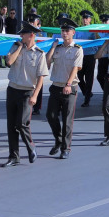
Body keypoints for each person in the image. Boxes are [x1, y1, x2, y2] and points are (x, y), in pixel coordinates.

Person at [2, 22, 48, 165]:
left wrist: (35, 95)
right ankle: (13, 156)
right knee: (11, 125)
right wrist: (20, 48)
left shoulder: (39, 54)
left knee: (22, 123)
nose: (21, 35)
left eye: (23, 34)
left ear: (31, 35)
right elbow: (9, 62)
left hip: (27, 92)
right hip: (12, 89)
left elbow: (41, 77)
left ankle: (31, 146)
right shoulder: (15, 47)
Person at [44, 18, 83, 158]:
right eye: (62, 31)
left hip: (69, 88)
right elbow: (47, 63)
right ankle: (58, 139)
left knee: (67, 119)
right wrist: (52, 47)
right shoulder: (58, 48)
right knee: (50, 115)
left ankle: (65, 148)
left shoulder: (78, 49)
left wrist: (68, 84)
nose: (64, 33)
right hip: (56, 86)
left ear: (73, 33)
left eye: (67, 31)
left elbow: (75, 68)